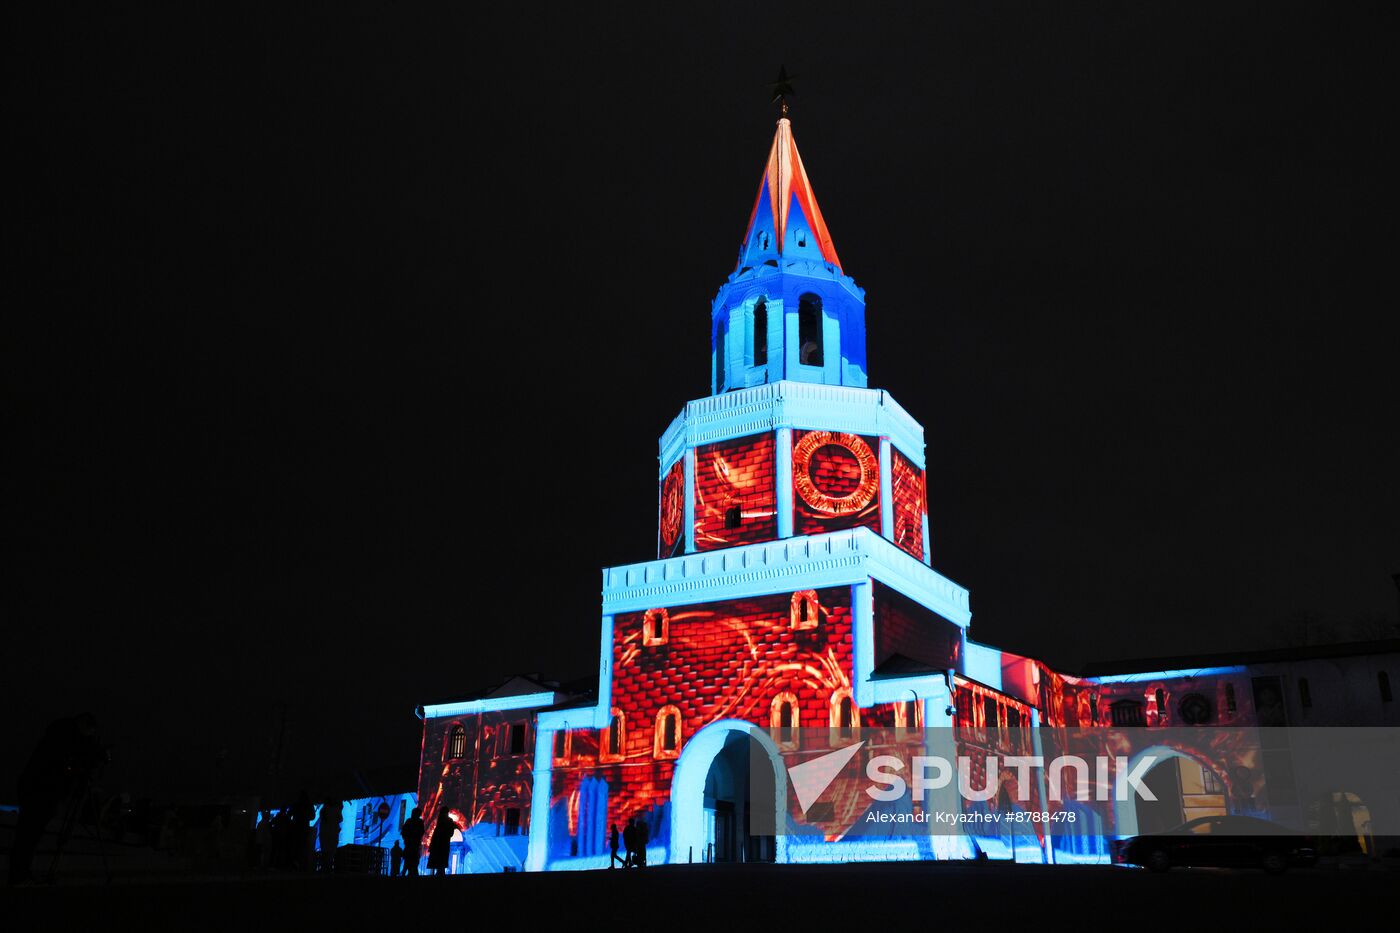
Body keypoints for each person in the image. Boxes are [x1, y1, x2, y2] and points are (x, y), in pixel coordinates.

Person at [8, 713, 103, 886]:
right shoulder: (64, 740)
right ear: (84, 726)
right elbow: (63, 766)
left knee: (29, 834)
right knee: (29, 834)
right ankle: (17, 874)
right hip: (41, 791)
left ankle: (19, 872)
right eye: (89, 733)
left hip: (38, 790)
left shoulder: (60, 735)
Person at [427, 809, 455, 876]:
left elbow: (436, 834)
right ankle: (440, 873)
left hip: (440, 844)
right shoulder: (448, 821)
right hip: (443, 844)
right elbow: (451, 833)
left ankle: (440, 873)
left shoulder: (442, 821)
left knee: (439, 861)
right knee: (441, 861)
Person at [400, 807, 425, 876]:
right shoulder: (419, 822)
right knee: (413, 863)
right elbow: (421, 832)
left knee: (408, 862)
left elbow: (403, 832)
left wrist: (407, 838)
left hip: (409, 845)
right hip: (414, 846)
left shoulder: (409, 821)